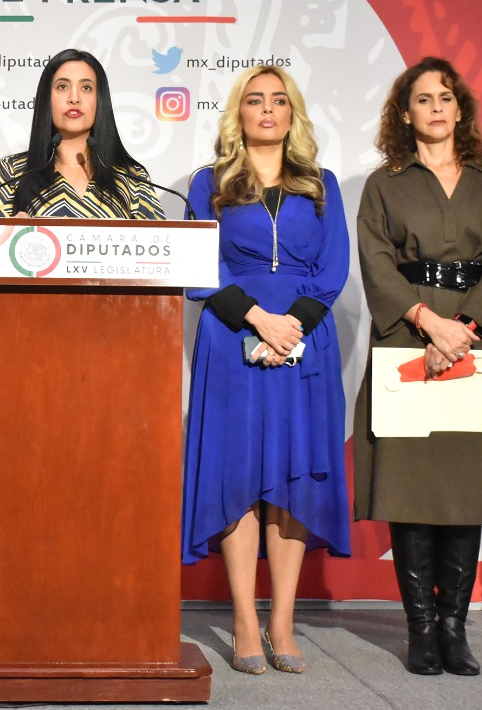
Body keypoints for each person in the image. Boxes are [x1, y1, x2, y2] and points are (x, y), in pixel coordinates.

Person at [352, 57, 482, 676]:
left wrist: (463, 332)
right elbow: (376, 261)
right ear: (405, 114)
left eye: (446, 98)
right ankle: (421, 630)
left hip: (476, 341)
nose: (436, 107)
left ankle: (455, 629)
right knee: (413, 489)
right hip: (408, 337)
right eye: (423, 99)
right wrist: (429, 323)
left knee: (466, 487)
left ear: (460, 110)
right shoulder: (385, 183)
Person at [181, 65, 350, 676]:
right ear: (240, 113)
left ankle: (281, 621)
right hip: (231, 339)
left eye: (279, 100)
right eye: (255, 100)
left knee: (292, 479)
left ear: (292, 112)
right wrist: (257, 318)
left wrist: (291, 326)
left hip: (306, 342)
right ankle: (244, 621)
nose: (268, 109)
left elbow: (333, 267)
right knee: (237, 476)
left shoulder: (322, 184)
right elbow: (200, 264)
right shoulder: (209, 182)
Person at [0, 47, 166, 509]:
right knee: (32, 499)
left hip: (114, 360)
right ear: (47, 99)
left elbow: (162, 265)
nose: (74, 98)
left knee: (105, 501)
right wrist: (9, 238)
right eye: (62, 87)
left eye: (86, 88)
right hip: (30, 356)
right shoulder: (12, 174)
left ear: (101, 101)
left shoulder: (132, 179)